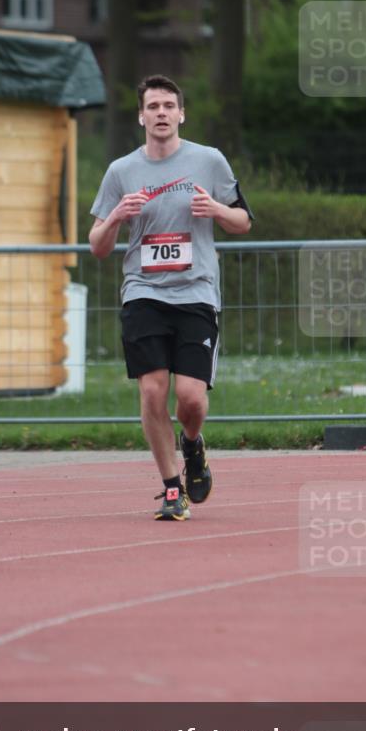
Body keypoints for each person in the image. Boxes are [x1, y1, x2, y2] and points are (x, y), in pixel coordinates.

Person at [89, 74, 253, 520]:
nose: (161, 113)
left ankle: (193, 444)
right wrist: (116, 218)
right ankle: (169, 487)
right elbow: (97, 246)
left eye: (168, 106)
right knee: (151, 392)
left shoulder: (209, 161)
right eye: (152, 106)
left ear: (182, 114)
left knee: (191, 400)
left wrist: (217, 210)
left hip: (196, 292)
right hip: (143, 292)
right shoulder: (121, 171)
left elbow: (243, 222)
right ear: (141, 116)